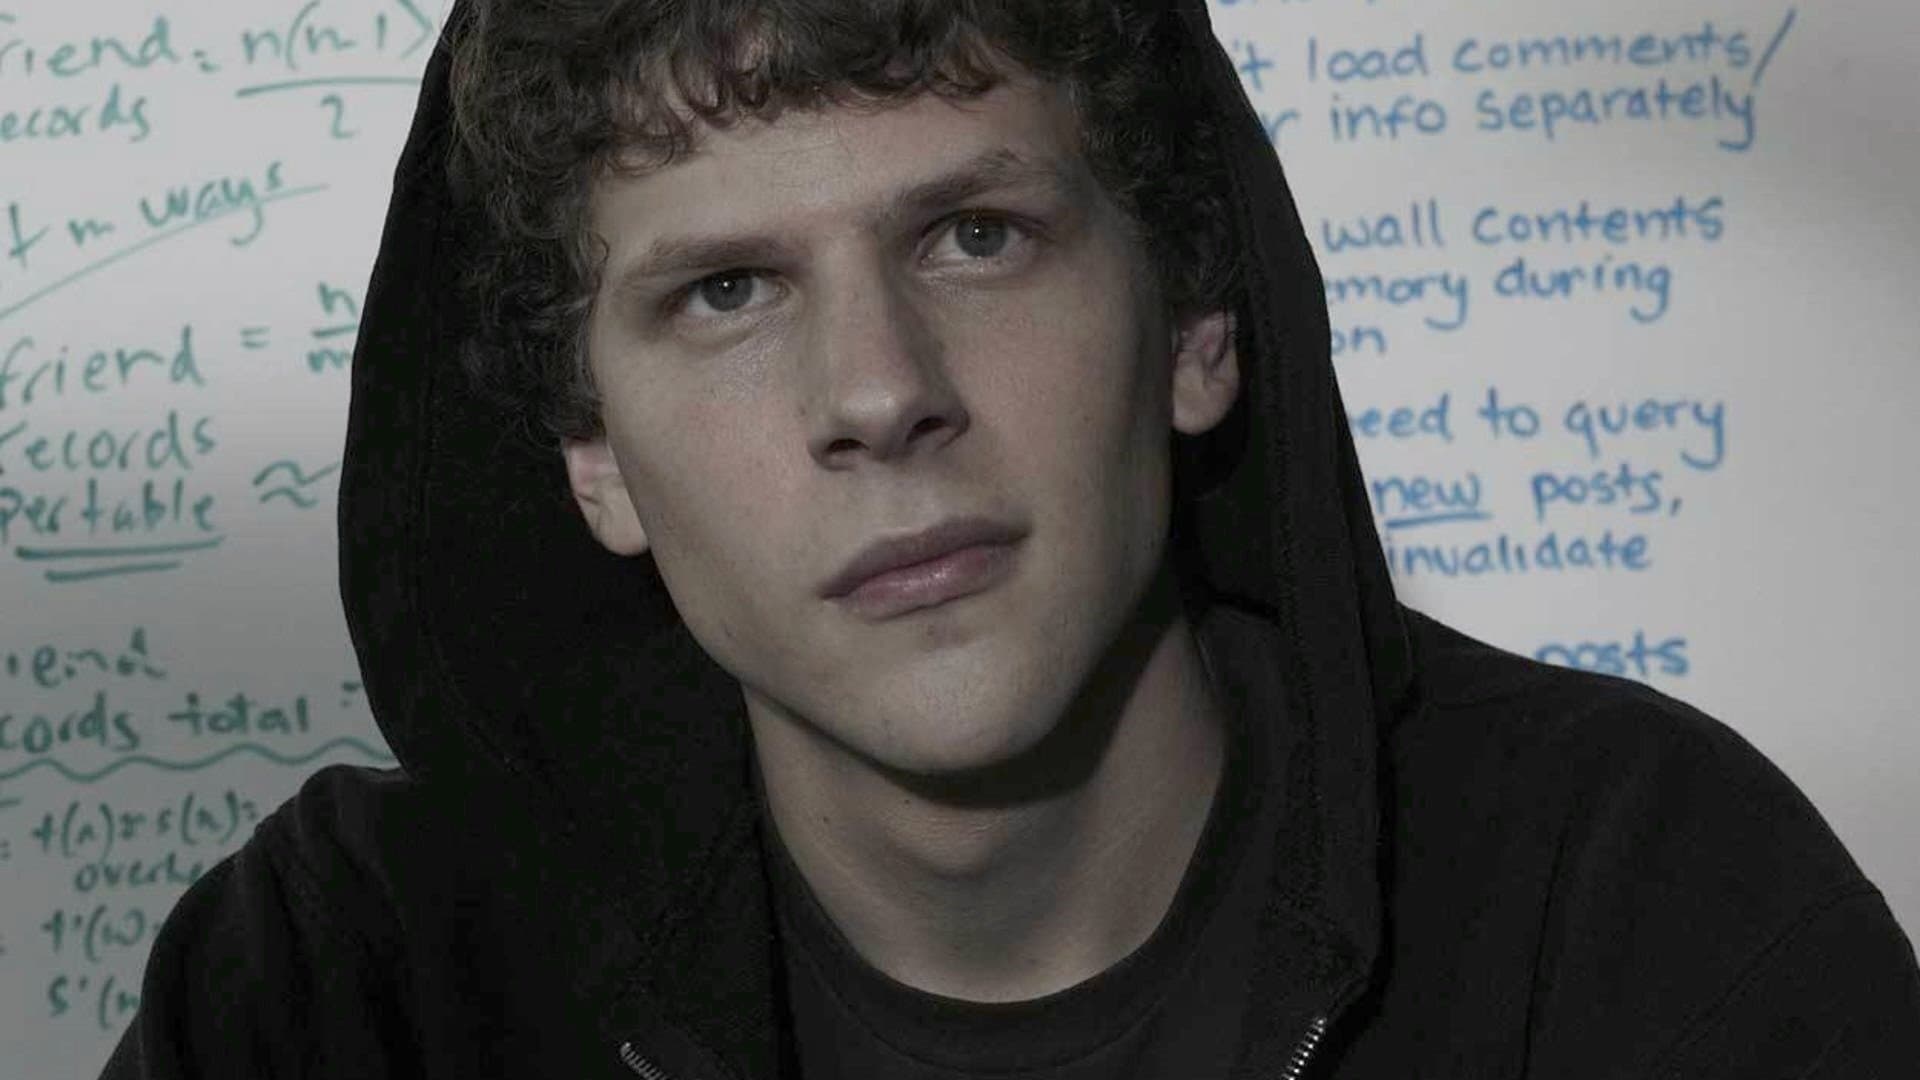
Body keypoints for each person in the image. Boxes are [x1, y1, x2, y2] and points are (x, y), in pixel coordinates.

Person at [104, 1, 1920, 1077]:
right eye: (727, 291)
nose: (878, 392)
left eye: (975, 237)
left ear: (1196, 328)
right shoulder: (350, 988)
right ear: (596, 463)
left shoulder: (1635, 905)